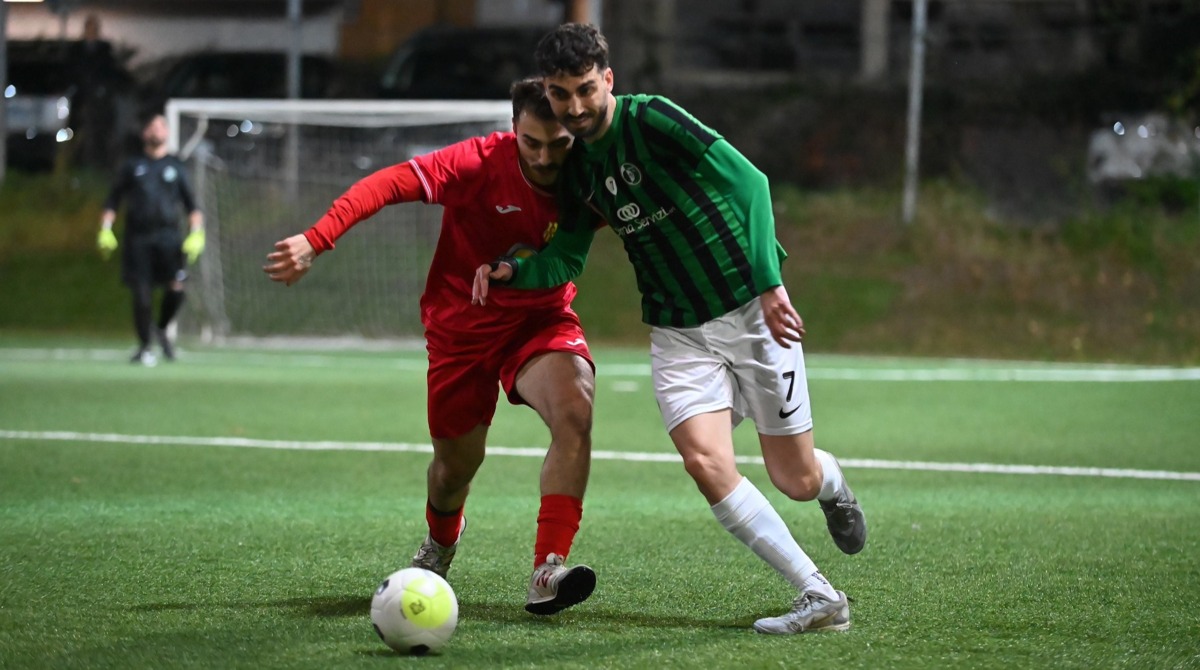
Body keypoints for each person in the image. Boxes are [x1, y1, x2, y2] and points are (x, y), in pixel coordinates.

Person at [472, 23, 867, 634]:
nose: (573, 107)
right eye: (559, 93)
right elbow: (566, 257)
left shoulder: (652, 118)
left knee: (796, 478)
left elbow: (750, 182)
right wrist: (513, 270)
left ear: (607, 79)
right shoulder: (576, 171)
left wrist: (768, 282)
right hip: (678, 333)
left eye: (583, 89)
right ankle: (820, 596)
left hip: (747, 310)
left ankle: (832, 485)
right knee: (705, 461)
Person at [262, 78, 597, 616]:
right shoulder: (476, 162)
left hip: (540, 319)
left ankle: (547, 569)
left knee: (575, 408)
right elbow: (387, 184)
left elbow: (596, 243)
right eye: (532, 142)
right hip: (460, 329)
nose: (544, 156)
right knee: (453, 470)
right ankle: (440, 543)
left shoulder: (588, 176)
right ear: (513, 130)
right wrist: (316, 238)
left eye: (558, 144)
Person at [98, 111, 205, 366]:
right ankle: (145, 346)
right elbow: (113, 200)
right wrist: (105, 228)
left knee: (177, 290)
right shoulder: (132, 166)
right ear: (145, 133)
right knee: (142, 295)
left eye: (161, 126)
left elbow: (192, 206)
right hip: (139, 240)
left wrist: (197, 233)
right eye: (152, 126)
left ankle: (162, 329)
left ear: (167, 132)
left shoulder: (176, 166)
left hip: (169, 238)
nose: (156, 130)